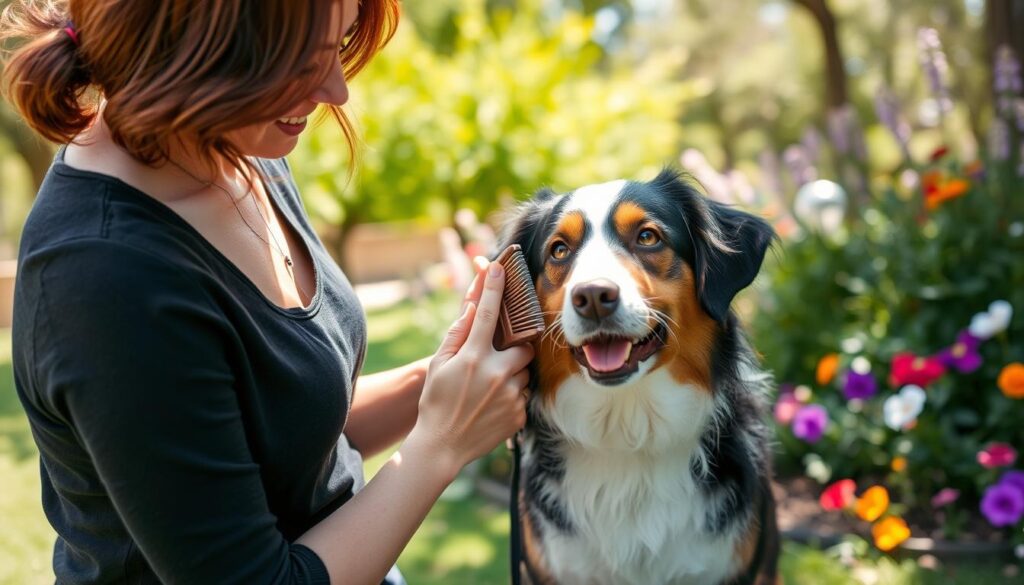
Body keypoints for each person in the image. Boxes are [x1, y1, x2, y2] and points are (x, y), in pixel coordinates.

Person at [1, 0, 534, 583]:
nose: (337, 91)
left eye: (340, 43)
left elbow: (290, 438)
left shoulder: (235, 149)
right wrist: (442, 446)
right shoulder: (105, 278)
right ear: (194, 46)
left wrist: (446, 378)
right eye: (303, 62)